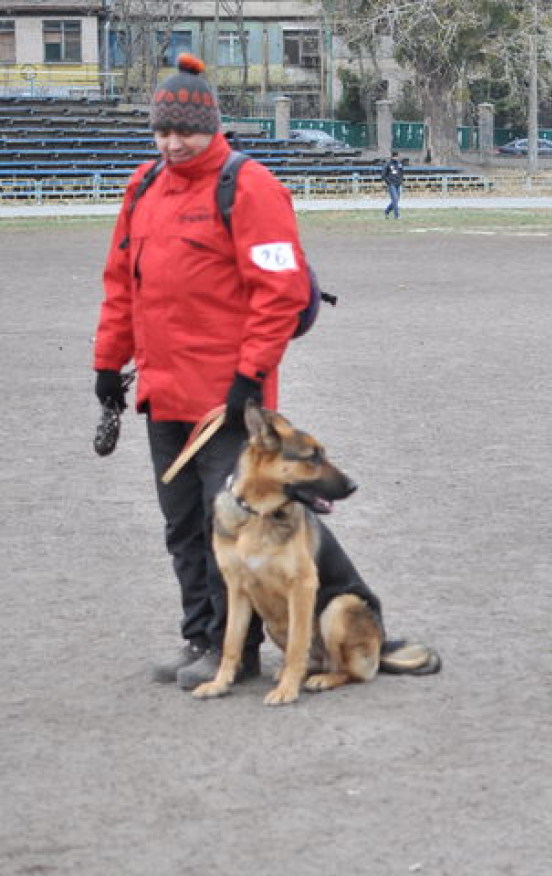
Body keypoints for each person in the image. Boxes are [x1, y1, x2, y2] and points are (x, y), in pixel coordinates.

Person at [93, 53, 311, 689]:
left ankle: (233, 653)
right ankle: (199, 637)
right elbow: (120, 285)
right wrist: (109, 364)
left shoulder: (250, 188)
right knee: (182, 525)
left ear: (212, 126)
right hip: (163, 395)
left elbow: (281, 292)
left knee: (231, 529)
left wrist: (250, 378)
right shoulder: (143, 188)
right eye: (162, 131)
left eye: (184, 131)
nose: (172, 143)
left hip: (227, 403)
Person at [381, 150, 405, 218]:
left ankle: (386, 211)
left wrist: (401, 181)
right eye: (394, 156)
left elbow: (402, 173)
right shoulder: (388, 164)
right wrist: (388, 182)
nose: (396, 158)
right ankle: (397, 215)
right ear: (392, 156)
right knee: (394, 199)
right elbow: (383, 175)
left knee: (396, 200)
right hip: (392, 184)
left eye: (396, 156)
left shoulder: (399, 164)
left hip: (398, 184)